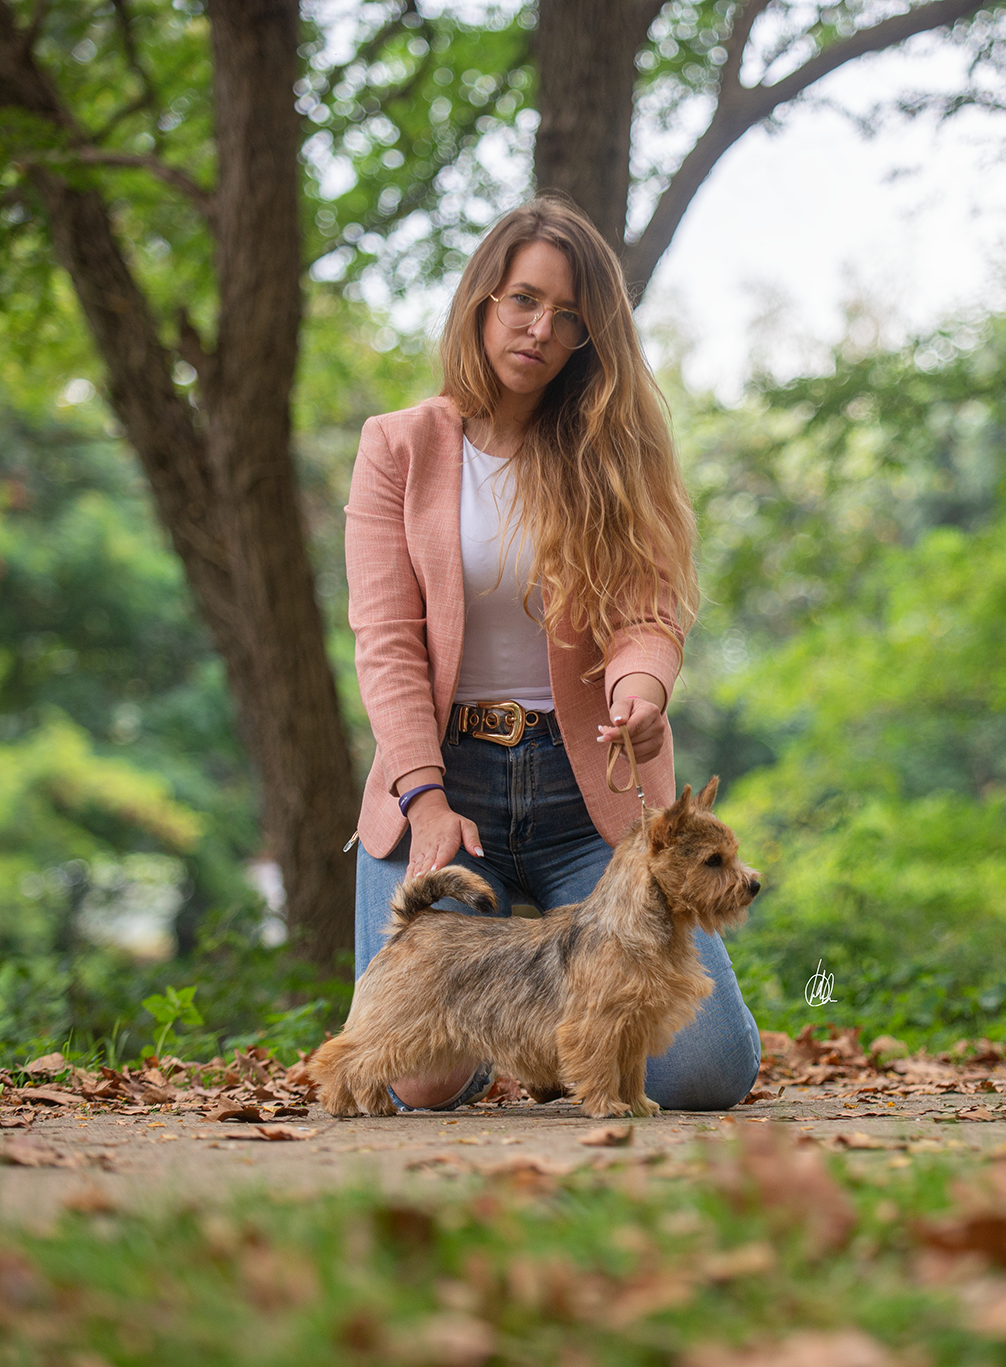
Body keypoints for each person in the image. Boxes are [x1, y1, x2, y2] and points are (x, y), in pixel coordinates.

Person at [343, 196, 761, 1112]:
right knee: (419, 1078)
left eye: (569, 316)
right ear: (482, 299)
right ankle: (527, 1028)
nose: (541, 328)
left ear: (589, 338)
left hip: (588, 801)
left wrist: (640, 689)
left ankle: (554, 1030)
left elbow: (649, 608)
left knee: (702, 1072)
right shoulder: (397, 446)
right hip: (445, 786)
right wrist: (425, 799)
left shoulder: (610, 452)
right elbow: (387, 641)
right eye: (524, 299)